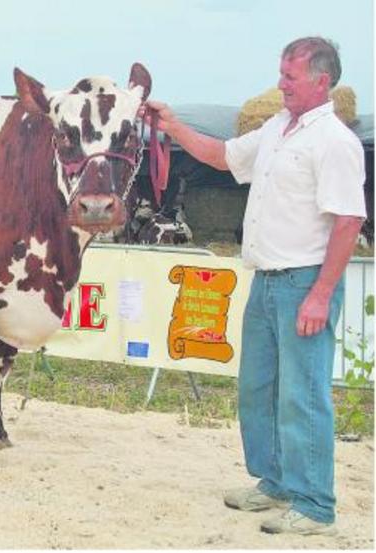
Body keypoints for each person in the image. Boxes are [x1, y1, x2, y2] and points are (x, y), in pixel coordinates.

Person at [146, 37, 366, 536]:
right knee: (259, 390)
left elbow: (349, 222)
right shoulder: (276, 129)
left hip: (304, 281)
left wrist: (320, 294)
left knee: (302, 395)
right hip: (266, 280)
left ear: (321, 81)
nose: (281, 84)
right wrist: (175, 126)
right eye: (281, 73)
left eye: (290, 76)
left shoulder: (334, 140)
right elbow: (223, 156)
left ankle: (314, 504)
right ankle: (276, 482)